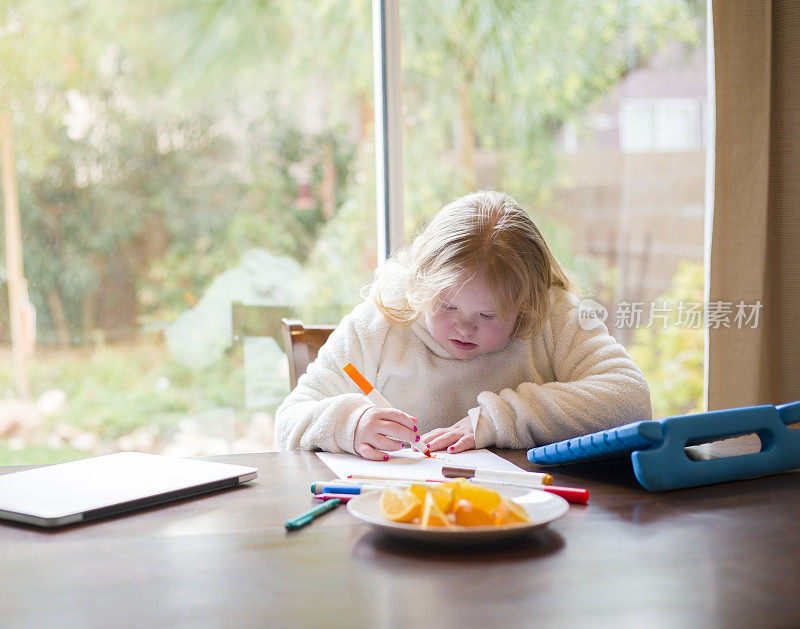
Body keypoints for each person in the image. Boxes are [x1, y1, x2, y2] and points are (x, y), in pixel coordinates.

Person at [275, 191, 652, 460]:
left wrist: (497, 419)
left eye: (489, 316)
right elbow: (289, 420)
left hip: (518, 515)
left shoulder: (552, 314)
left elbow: (631, 399)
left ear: (525, 305)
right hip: (392, 514)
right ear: (420, 283)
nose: (464, 328)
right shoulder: (383, 318)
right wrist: (350, 423)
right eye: (446, 305)